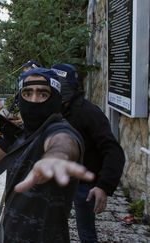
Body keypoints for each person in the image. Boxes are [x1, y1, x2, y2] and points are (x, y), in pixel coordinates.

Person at [0, 67, 94, 242]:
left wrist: (55, 157)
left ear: (56, 99)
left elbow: (64, 143)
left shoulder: (60, 129)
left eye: (43, 94)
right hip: (9, 233)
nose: (34, 100)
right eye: (27, 93)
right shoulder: (20, 133)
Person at [51, 63, 125, 243]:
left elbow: (113, 150)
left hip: (84, 184)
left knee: (86, 232)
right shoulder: (53, 111)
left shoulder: (89, 113)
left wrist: (104, 186)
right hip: (58, 179)